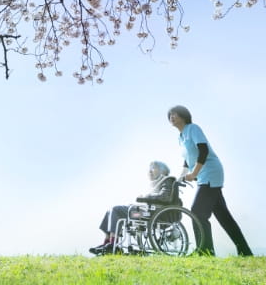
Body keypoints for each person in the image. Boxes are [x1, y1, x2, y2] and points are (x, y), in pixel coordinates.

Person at [167, 105, 253, 256]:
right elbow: (188, 159)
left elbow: (203, 150)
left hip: (210, 173)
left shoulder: (193, 128)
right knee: (224, 216)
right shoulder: (180, 137)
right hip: (203, 175)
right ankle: (245, 251)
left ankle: (205, 250)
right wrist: (183, 175)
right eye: (170, 115)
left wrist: (193, 174)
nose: (172, 117)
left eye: (175, 114)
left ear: (183, 115)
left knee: (198, 212)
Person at [89, 161, 179, 255]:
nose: (150, 170)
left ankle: (113, 243)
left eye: (153, 167)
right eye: (149, 168)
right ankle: (107, 242)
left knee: (116, 210)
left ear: (162, 170)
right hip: (145, 212)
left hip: (151, 214)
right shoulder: (154, 183)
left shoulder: (167, 180)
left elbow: (165, 196)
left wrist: (146, 197)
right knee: (110, 211)